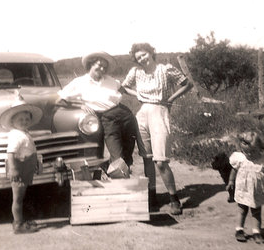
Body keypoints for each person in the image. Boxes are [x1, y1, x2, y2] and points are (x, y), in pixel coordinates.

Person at [122, 43, 193, 215]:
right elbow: (123, 87)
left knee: (160, 161)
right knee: (147, 159)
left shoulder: (165, 69)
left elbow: (187, 84)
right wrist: (137, 95)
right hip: (142, 114)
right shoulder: (136, 72)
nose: (142, 59)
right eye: (138, 57)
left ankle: (173, 198)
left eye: (144, 54)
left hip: (160, 112)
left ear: (151, 53)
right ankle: (151, 196)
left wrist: (170, 99)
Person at [57, 51, 140, 172]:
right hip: (108, 118)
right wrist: (80, 105)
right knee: (117, 156)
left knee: (128, 153)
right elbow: (61, 99)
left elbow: (123, 89)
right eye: (99, 65)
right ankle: (111, 172)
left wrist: (139, 95)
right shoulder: (79, 82)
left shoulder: (110, 80)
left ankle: (122, 175)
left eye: (104, 67)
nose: (102, 69)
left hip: (125, 115)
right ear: (91, 64)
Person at [225, 131, 264, 244]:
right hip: (243, 190)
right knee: (242, 210)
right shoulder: (240, 158)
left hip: (257, 192)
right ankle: (239, 230)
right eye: (246, 152)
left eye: (252, 152)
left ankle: (256, 232)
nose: (249, 155)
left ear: (260, 148)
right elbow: (234, 170)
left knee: (256, 212)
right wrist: (231, 181)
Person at [0, 94, 43, 234]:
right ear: (13, 121)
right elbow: (11, 153)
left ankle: (21, 220)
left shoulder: (24, 133)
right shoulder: (16, 135)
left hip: (26, 168)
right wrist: (13, 169)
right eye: (20, 119)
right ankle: (18, 224)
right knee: (17, 198)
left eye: (27, 119)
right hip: (19, 169)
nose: (24, 122)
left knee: (21, 196)